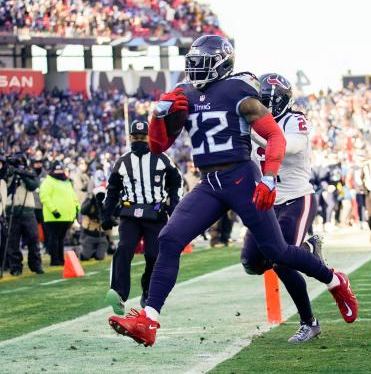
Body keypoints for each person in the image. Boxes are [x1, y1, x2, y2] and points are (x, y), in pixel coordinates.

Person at [108, 35, 358, 347]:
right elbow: (158, 146)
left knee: (277, 252)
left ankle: (335, 281)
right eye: (192, 61)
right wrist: (157, 117)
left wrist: (268, 178)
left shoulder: (238, 90)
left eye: (201, 62)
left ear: (220, 63)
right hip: (209, 183)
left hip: (241, 177)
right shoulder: (184, 92)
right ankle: (149, 319)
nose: (194, 68)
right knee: (169, 239)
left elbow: (275, 136)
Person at [248, 72, 324, 343]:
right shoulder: (252, 124)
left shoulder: (295, 120)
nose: (263, 107)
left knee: (281, 261)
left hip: (295, 198)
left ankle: (309, 322)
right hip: (266, 202)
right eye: (259, 101)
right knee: (252, 263)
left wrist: (251, 132)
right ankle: (304, 250)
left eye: (267, 101)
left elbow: (284, 146)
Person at [102, 120, 183, 314]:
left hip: (155, 214)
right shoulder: (122, 161)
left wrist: (175, 208)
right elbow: (112, 190)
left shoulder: (163, 159)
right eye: (135, 137)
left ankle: (147, 291)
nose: (139, 140)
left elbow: (175, 183)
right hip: (130, 214)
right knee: (124, 248)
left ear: (149, 137)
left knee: (154, 256)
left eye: (142, 137)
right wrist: (106, 214)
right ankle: (119, 294)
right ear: (130, 137)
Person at [3, 154, 45, 275]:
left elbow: (33, 186)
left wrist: (22, 174)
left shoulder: (29, 173)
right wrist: (12, 172)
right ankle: (15, 267)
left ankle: (36, 265)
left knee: (33, 238)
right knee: (13, 241)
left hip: (28, 210)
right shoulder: (7, 174)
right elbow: (7, 189)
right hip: (12, 209)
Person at [39, 160, 80, 266]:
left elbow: (73, 196)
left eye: (60, 169)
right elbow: (44, 196)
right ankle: (55, 259)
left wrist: (76, 208)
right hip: (53, 216)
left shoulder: (66, 182)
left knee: (60, 239)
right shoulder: (48, 181)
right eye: (56, 170)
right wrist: (54, 210)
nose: (58, 172)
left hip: (66, 216)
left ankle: (60, 259)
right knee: (54, 238)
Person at [79, 184, 109, 261]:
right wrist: (91, 201)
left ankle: (95, 252)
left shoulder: (106, 203)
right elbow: (83, 211)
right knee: (85, 257)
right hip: (89, 235)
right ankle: (81, 251)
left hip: (101, 236)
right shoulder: (89, 202)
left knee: (100, 257)